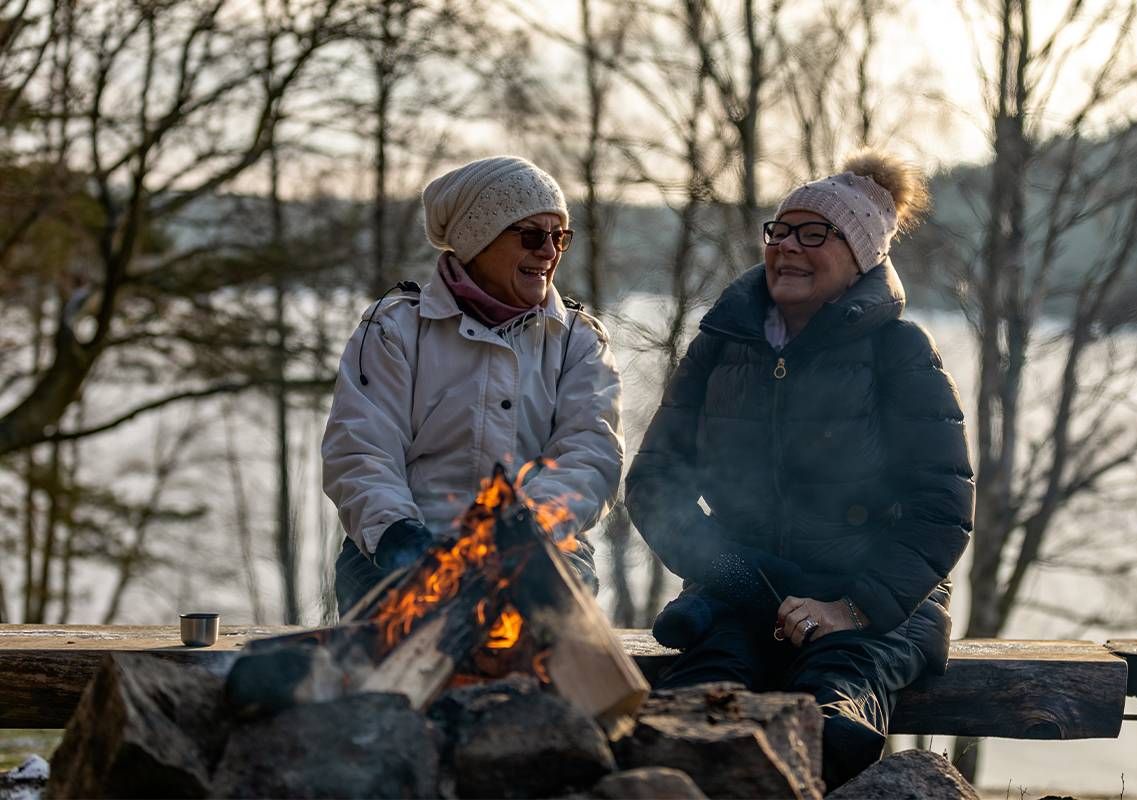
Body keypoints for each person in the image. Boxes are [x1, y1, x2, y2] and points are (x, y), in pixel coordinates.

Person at [625, 151, 974, 788]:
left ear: (863, 255)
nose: (788, 247)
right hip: (736, 594)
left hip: (869, 607)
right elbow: (654, 482)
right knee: (685, 727)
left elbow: (942, 509)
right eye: (780, 231)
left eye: (815, 234)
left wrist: (852, 607)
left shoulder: (901, 353)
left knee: (828, 731)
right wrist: (727, 571)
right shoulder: (722, 344)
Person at [323, 156, 623, 616]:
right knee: (398, 666)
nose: (549, 251)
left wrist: (524, 536)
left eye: (558, 236)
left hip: (537, 555)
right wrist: (403, 541)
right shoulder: (393, 330)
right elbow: (361, 450)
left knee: (535, 661)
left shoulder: (579, 341)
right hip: (401, 555)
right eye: (531, 235)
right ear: (477, 239)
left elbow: (589, 456)